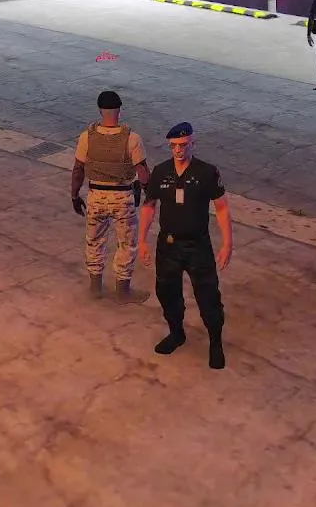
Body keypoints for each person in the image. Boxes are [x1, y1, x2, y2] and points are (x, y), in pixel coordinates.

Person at [137, 122, 234, 369]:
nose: (178, 150)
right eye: (174, 146)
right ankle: (176, 333)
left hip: (197, 246)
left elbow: (222, 208)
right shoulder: (161, 172)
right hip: (168, 245)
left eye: (183, 145)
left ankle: (215, 343)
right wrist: (142, 240)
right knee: (167, 293)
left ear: (192, 144)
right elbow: (149, 206)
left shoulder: (207, 173)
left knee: (208, 296)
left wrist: (227, 243)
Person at [71, 91, 150, 300]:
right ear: (119, 111)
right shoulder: (132, 138)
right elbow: (143, 172)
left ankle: (95, 288)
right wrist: (148, 193)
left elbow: (78, 169)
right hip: (122, 197)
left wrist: (74, 195)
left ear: (100, 110)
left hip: (96, 195)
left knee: (94, 241)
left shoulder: (87, 137)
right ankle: (123, 291)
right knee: (126, 244)